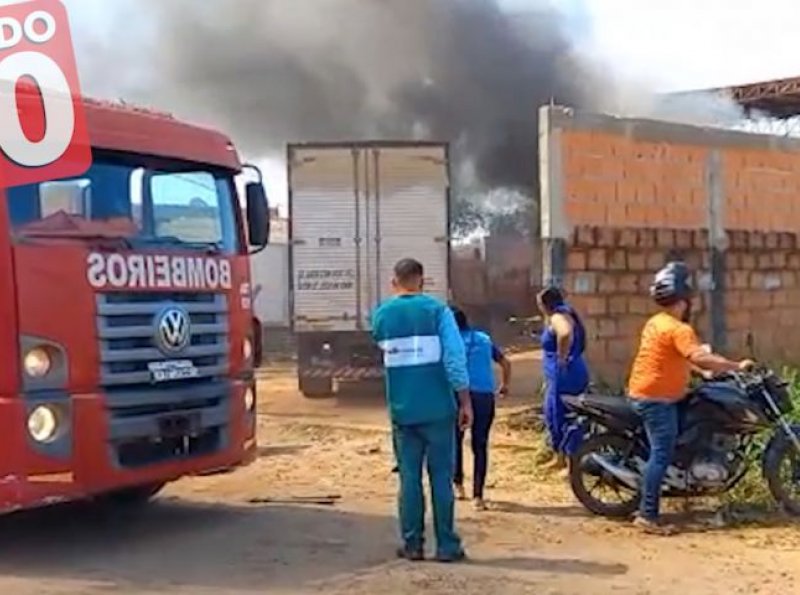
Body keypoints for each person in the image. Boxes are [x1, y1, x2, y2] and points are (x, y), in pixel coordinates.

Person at [627, 261, 755, 535]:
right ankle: (647, 515)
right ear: (684, 300)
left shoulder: (657, 322)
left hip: (652, 392)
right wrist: (735, 366)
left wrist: (702, 374)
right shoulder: (679, 329)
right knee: (662, 451)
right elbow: (698, 355)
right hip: (656, 399)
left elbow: (679, 358)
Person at [372, 258, 472, 562]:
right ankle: (446, 546)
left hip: (402, 411)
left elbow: (382, 347)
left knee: (409, 479)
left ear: (395, 282)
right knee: (441, 477)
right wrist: (465, 400)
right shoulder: (438, 311)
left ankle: (413, 543)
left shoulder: (381, 315)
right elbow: (454, 358)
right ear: (422, 281)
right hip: (439, 409)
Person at [450, 306, 511, 511]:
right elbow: (505, 362)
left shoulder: (451, 341)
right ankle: (478, 496)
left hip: (460, 396)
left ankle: (457, 484)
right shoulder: (484, 339)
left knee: (455, 440)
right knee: (480, 445)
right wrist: (504, 385)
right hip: (485, 397)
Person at [537, 285, 590, 472]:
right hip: (561, 375)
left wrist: (561, 357)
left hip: (566, 375)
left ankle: (571, 464)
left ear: (545, 304)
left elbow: (565, 333)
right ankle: (560, 457)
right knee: (554, 415)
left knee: (567, 416)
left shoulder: (558, 317)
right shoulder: (562, 314)